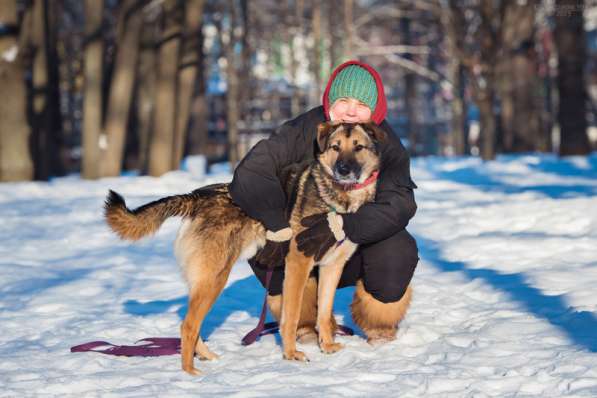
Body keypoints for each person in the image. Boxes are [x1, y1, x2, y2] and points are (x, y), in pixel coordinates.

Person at [229, 60, 419, 344]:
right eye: (343, 100)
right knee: (261, 228)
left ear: (375, 111)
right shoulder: (303, 130)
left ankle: (379, 320)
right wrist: (277, 225)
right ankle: (302, 320)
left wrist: (344, 226)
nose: (352, 110)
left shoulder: (386, 143)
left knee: (398, 248)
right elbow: (251, 172)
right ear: (329, 101)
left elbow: (399, 205)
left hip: (354, 249)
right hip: (296, 240)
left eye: (361, 104)